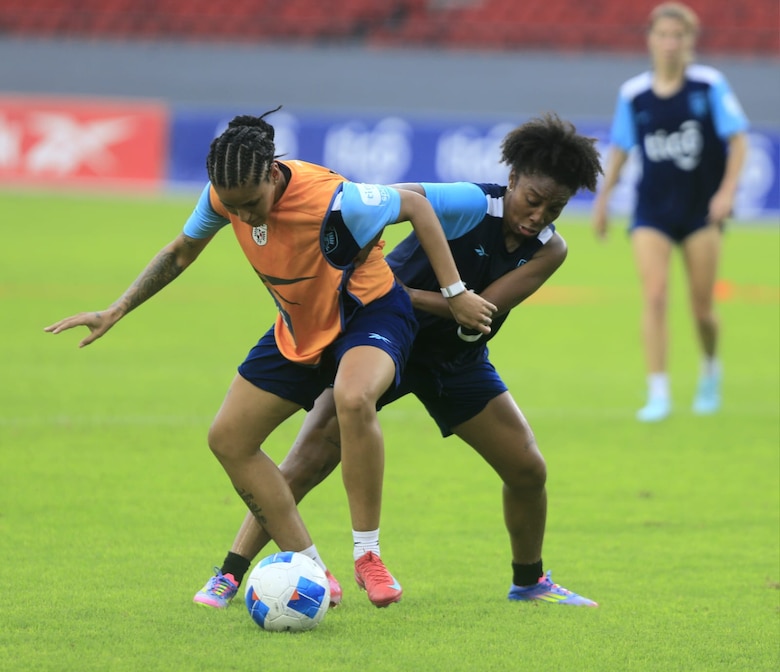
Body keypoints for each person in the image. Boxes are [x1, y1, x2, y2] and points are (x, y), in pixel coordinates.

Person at [44, 108, 496, 609]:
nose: (243, 216)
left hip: (369, 313)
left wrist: (454, 291)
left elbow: (416, 206)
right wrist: (118, 308)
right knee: (228, 438)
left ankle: (368, 555)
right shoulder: (225, 192)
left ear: (272, 174)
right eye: (233, 208)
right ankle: (310, 566)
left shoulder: (336, 201)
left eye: (251, 204)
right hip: (300, 326)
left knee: (353, 397)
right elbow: (179, 252)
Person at [194, 112, 604, 609]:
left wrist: (458, 304)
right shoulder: (468, 202)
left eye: (554, 207)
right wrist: (433, 295)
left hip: (455, 361)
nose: (539, 215)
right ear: (512, 179)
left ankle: (530, 581)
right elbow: (383, 199)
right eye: (533, 200)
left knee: (527, 468)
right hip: (382, 335)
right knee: (306, 461)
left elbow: (481, 314)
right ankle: (230, 573)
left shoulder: (549, 250)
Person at [591, 2, 749, 423]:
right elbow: (622, 149)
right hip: (652, 212)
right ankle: (658, 391)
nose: (669, 43)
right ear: (650, 40)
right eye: (662, 35)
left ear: (689, 41)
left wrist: (726, 192)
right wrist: (604, 200)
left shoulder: (708, 86)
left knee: (702, 309)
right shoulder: (634, 94)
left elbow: (738, 141)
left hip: (701, 212)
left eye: (678, 35)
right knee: (656, 295)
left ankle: (711, 370)